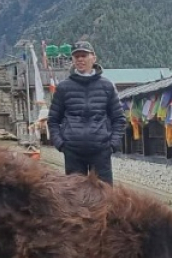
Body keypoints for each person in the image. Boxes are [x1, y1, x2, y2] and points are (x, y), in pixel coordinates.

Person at [46, 40, 125, 184]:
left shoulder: (107, 86)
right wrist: (60, 144)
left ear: (93, 58)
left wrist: (112, 144)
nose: (80, 59)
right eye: (77, 56)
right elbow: (53, 119)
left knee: (104, 197)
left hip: (101, 151)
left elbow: (119, 118)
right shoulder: (64, 88)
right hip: (73, 151)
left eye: (84, 55)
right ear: (73, 60)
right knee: (75, 198)